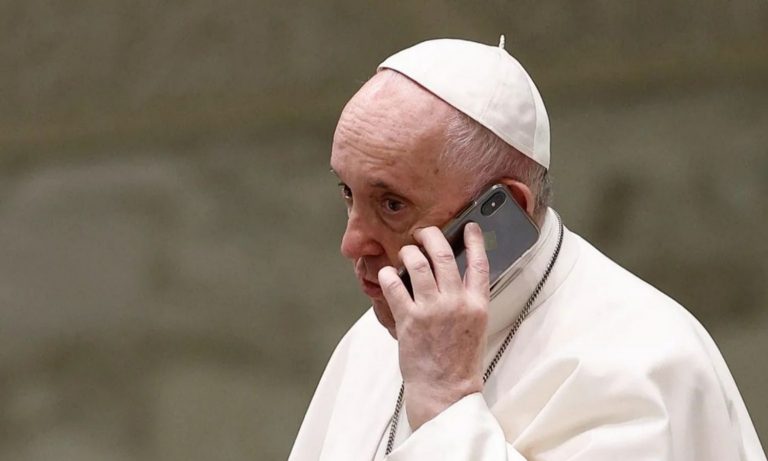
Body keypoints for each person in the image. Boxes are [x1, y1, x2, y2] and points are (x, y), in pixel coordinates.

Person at [287, 38, 766, 461]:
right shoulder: (380, 336)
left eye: (392, 204)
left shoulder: (646, 365)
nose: (352, 243)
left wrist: (446, 403)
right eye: (347, 192)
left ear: (506, 207)